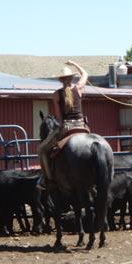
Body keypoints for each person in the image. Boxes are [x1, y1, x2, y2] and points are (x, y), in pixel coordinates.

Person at [37, 60, 89, 190]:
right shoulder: (79, 88)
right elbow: (85, 74)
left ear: (60, 80)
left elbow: (59, 117)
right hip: (82, 126)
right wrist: (74, 64)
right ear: (72, 78)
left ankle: (46, 179)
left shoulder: (56, 95)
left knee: (41, 150)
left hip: (66, 127)